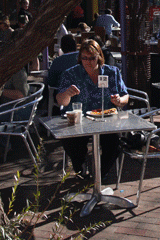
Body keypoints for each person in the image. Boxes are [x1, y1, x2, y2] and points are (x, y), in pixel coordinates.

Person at [55, 39, 129, 177]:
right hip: (79, 121)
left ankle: (100, 174)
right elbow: (61, 101)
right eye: (84, 58)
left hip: (106, 120)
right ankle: (80, 167)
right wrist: (67, 94)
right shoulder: (71, 74)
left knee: (115, 143)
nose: (88, 61)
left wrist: (119, 101)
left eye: (92, 58)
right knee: (69, 141)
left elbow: (125, 96)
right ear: (80, 58)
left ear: (99, 57)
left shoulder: (112, 72)